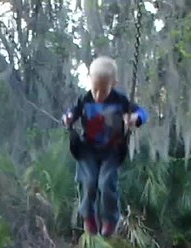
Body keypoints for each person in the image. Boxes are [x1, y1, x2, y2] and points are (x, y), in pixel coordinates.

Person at [62, 56, 148, 237]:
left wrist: (135, 118)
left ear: (113, 84)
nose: (99, 95)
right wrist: (68, 118)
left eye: (104, 90)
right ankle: (88, 216)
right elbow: (72, 112)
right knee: (89, 182)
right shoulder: (84, 99)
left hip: (112, 150)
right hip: (88, 150)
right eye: (95, 90)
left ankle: (110, 219)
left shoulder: (120, 100)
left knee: (106, 183)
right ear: (89, 80)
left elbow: (143, 113)